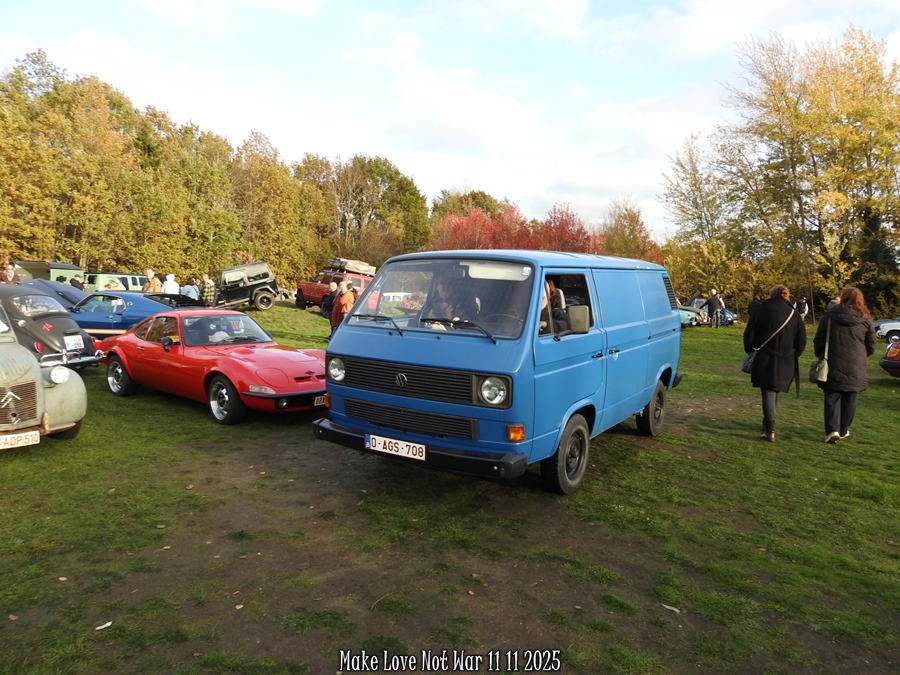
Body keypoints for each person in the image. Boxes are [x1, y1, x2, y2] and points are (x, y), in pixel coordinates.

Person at [742, 284, 807, 442]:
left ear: (770, 295)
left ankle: (770, 428)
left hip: (765, 356)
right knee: (773, 390)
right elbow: (802, 339)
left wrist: (750, 349)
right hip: (786, 358)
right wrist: (793, 355)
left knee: (768, 391)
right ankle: (768, 423)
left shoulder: (761, 310)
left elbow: (749, 334)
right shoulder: (793, 313)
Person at [813, 287, 876, 444]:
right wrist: (860, 356)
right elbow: (871, 345)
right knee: (850, 397)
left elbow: (819, 340)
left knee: (831, 397)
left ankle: (833, 430)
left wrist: (820, 354)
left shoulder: (829, 318)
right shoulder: (866, 320)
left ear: (843, 298)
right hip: (855, 365)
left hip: (832, 362)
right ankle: (843, 428)